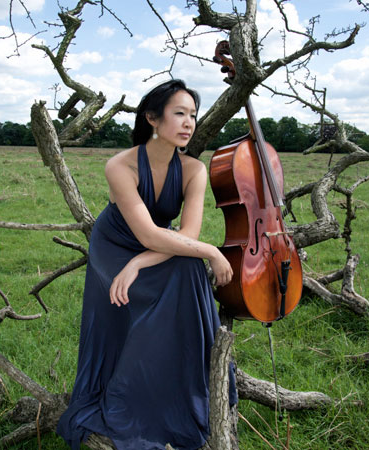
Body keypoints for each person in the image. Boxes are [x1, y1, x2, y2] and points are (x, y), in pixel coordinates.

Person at [57, 79, 236, 450]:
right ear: (153, 118)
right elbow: (150, 234)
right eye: (179, 114)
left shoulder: (193, 170)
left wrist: (144, 262)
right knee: (184, 264)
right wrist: (212, 252)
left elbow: (187, 233)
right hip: (115, 248)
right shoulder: (119, 165)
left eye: (193, 115)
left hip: (152, 249)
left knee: (187, 268)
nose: (189, 123)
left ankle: (183, 387)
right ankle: (130, 395)